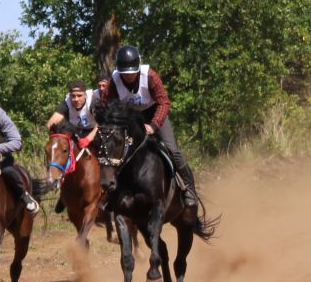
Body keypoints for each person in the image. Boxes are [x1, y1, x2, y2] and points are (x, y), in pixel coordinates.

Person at [97, 44, 201, 204]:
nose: (128, 76)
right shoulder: (113, 82)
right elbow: (106, 105)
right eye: (125, 73)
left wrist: (153, 125)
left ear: (138, 68)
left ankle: (189, 189)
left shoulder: (151, 77)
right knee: (114, 150)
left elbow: (164, 103)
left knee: (172, 149)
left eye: (132, 73)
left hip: (154, 114)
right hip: (131, 119)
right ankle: (111, 193)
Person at [44, 81, 100, 212]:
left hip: (95, 132)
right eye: (73, 96)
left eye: (79, 95)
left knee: (106, 154)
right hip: (76, 133)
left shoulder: (93, 102)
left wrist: (88, 139)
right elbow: (51, 123)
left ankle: (110, 187)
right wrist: (56, 134)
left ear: (85, 95)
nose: (76, 99)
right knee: (66, 156)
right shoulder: (67, 103)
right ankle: (65, 194)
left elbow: (101, 123)